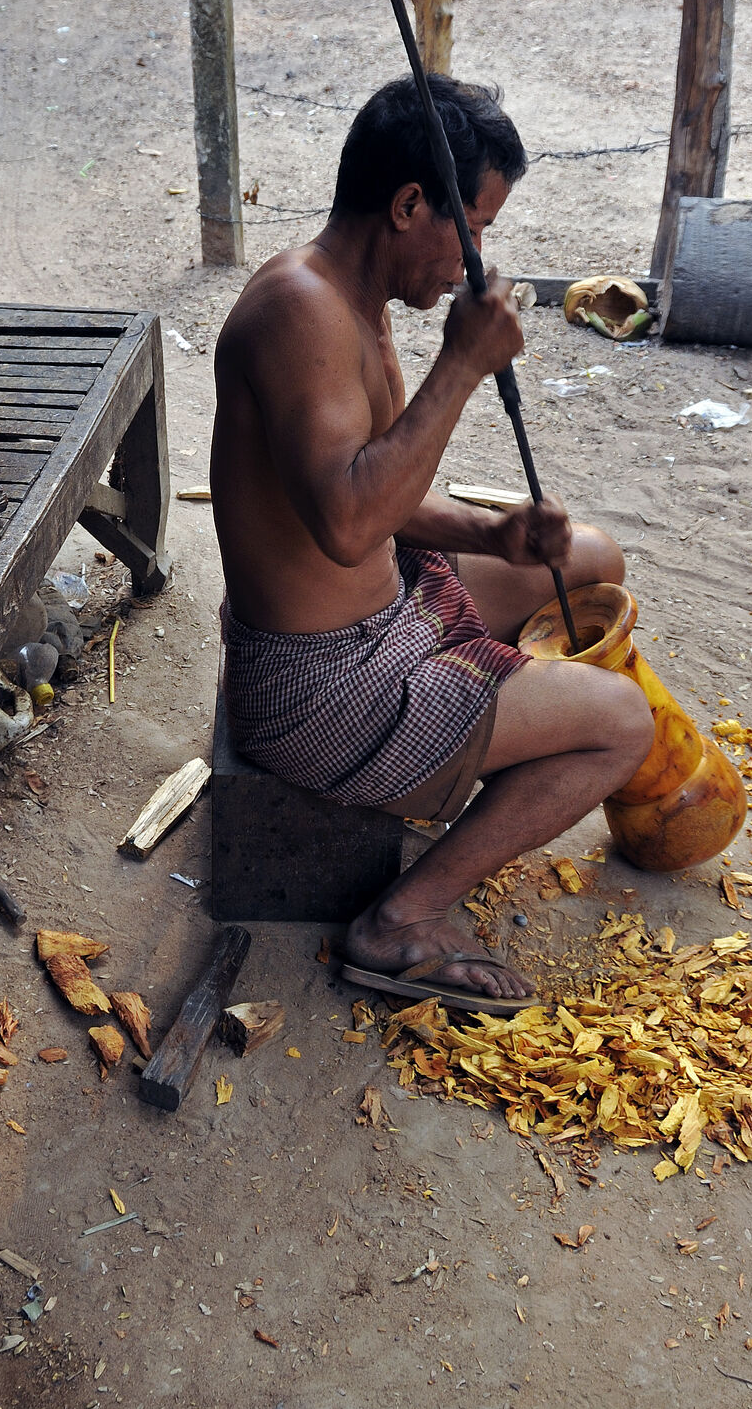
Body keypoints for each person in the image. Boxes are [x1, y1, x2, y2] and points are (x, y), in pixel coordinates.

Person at [211, 74, 653, 1002]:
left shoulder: (351, 299)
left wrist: (495, 534)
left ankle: (487, 730)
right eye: (474, 226)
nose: (477, 260)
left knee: (590, 562)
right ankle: (399, 918)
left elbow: (380, 492)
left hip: (391, 612)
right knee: (622, 728)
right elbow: (346, 522)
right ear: (410, 205)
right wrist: (459, 364)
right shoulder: (300, 313)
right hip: (324, 687)